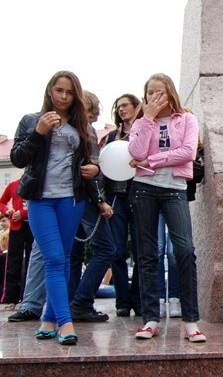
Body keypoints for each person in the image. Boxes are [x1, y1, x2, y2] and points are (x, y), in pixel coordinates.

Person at [10, 70, 100, 346]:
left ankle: (48, 319)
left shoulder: (83, 126)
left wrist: (94, 169)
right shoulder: (31, 120)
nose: (63, 96)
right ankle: (65, 322)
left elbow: (92, 161)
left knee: (64, 257)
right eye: (59, 90)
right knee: (53, 258)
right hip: (40, 199)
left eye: (69, 92)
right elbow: (17, 158)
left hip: (71, 199)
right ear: (50, 90)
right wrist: (38, 132)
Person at [128, 73, 206, 342]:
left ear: (170, 93)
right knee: (147, 254)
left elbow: (188, 152)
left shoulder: (187, 119)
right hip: (143, 189)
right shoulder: (140, 122)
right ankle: (150, 319)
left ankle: (190, 320)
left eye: (159, 92)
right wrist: (148, 118)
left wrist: (152, 161)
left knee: (184, 250)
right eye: (150, 92)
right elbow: (135, 153)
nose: (154, 97)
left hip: (174, 189)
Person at [68, 91, 117, 323]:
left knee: (73, 254)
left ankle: (70, 302)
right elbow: (90, 171)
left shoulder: (67, 127)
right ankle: (81, 303)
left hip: (67, 198)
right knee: (106, 249)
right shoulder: (86, 129)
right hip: (86, 199)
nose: (98, 112)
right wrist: (101, 202)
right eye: (96, 107)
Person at [102, 94, 142, 317]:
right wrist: (103, 199)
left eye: (125, 105)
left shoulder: (143, 131)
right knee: (116, 250)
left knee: (140, 249)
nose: (121, 109)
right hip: (116, 197)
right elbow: (104, 165)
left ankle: (137, 298)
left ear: (137, 107)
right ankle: (122, 301)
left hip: (139, 196)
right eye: (118, 107)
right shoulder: (111, 137)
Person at [0, 178, 32, 308]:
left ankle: (29, 299)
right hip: (16, 226)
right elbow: (2, 202)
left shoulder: (38, 183)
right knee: (13, 263)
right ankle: (10, 298)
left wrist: (23, 213)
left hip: (33, 225)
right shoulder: (13, 185)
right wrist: (6, 211)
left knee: (32, 262)